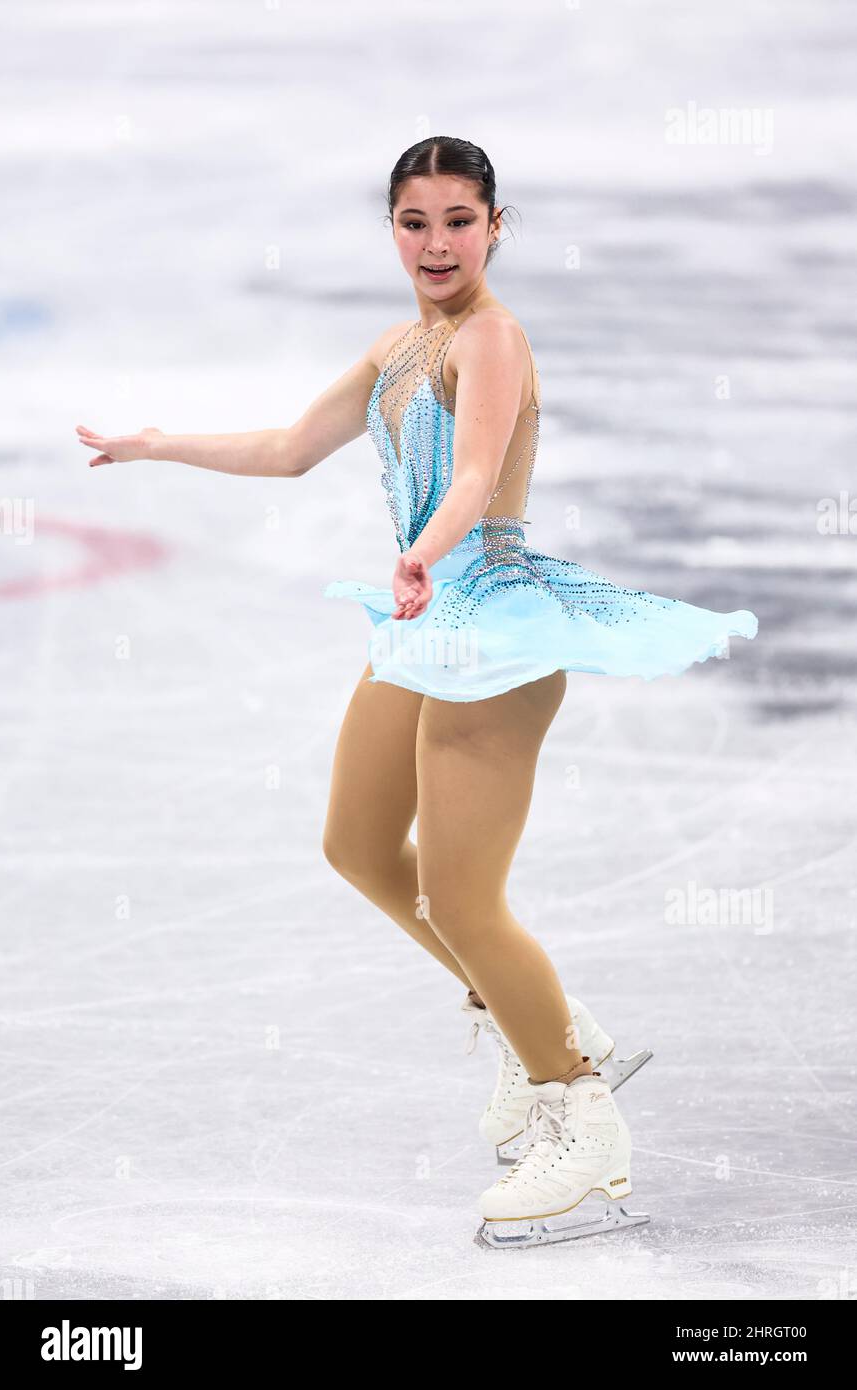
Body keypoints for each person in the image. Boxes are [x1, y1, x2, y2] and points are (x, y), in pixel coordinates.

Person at [76, 135, 758, 1250]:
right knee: (354, 844)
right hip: (426, 615)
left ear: (495, 225)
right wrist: (161, 444)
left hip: (487, 618)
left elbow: (478, 473)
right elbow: (294, 445)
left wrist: (425, 553)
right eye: (413, 221)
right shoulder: (403, 344)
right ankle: (535, 1013)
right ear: (390, 229)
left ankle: (579, 1118)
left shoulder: (489, 339)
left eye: (457, 219)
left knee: (459, 892)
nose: (436, 242)